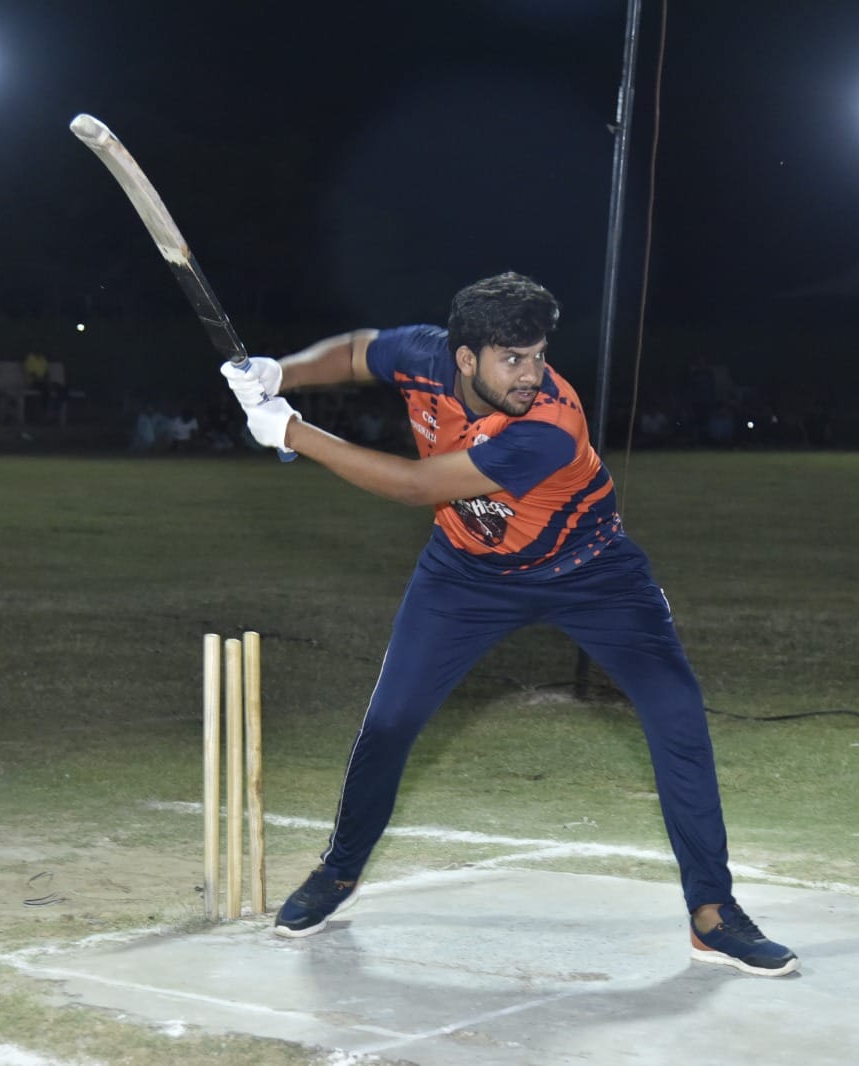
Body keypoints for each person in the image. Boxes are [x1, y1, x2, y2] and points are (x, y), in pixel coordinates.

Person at [219, 272, 798, 977]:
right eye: (513, 359)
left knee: (677, 713)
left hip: (592, 572)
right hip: (464, 574)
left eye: (539, 355)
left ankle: (713, 914)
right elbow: (355, 352)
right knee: (390, 721)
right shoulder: (425, 354)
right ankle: (339, 872)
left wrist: (291, 431)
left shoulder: (549, 426)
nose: (532, 374)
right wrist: (282, 372)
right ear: (464, 358)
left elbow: (415, 486)